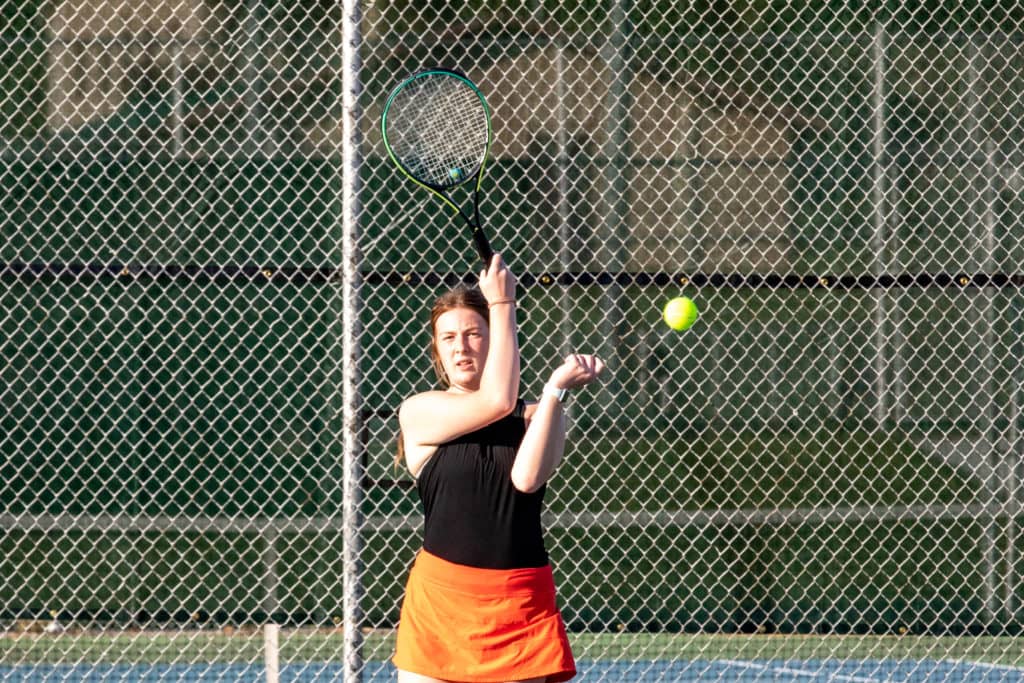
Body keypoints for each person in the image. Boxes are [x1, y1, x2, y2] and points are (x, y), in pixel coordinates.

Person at [392, 253, 605, 683]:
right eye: (448, 337)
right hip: (440, 603)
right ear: (437, 350)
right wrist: (502, 303)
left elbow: (526, 479)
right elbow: (496, 401)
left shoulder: (538, 414)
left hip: (518, 604)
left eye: (473, 333)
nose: (460, 347)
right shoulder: (419, 411)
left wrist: (554, 391)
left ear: (497, 341)